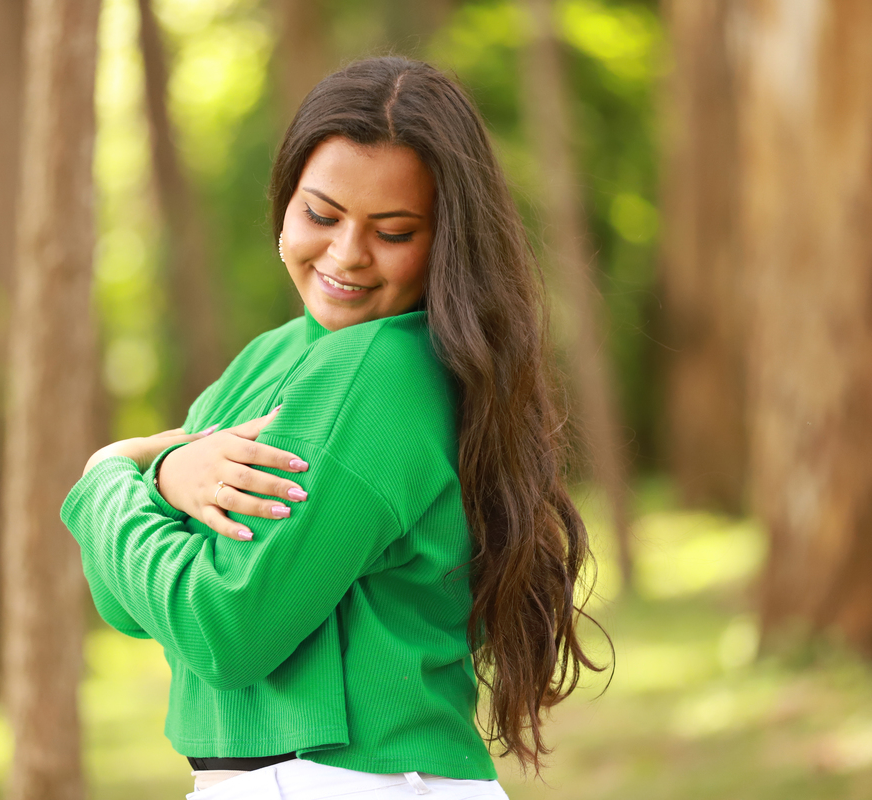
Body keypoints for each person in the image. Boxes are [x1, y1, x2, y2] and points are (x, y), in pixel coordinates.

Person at [60, 55, 603, 800]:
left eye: (395, 231)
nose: (346, 255)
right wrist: (158, 477)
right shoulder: (272, 359)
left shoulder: (382, 372)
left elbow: (223, 630)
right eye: (322, 214)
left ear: (446, 242)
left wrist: (108, 474)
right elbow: (123, 603)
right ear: (284, 202)